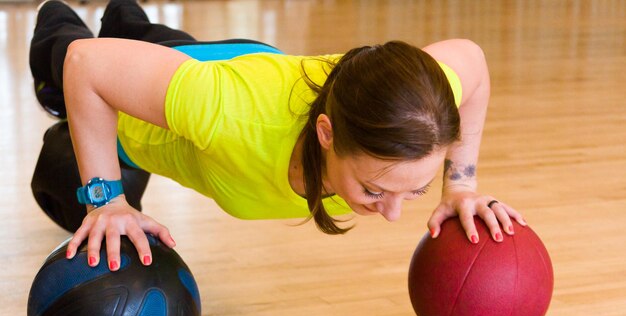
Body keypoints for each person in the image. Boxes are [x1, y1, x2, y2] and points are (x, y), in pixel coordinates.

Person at [30, 0, 525, 272]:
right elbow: (87, 66)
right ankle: (59, 15)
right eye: (374, 190)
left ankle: (127, 19)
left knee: (156, 48)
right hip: (149, 114)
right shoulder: (227, 110)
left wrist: (459, 183)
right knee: (64, 64)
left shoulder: (418, 106)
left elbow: (473, 61)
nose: (393, 214)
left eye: (414, 190)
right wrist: (106, 201)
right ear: (327, 134)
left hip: (244, 74)